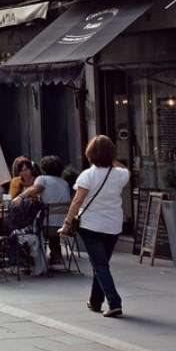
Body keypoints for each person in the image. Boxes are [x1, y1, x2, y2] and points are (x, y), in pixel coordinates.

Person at [60, 135, 130, 318]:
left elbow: (77, 201)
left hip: (91, 226)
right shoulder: (120, 174)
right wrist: (110, 158)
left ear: (90, 154)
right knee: (101, 264)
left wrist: (67, 223)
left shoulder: (87, 175)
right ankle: (95, 301)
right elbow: (124, 169)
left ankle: (114, 303)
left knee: (100, 264)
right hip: (114, 226)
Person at [19, 155, 72, 264]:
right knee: (49, 220)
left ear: (44, 168)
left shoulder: (42, 179)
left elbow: (37, 188)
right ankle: (56, 254)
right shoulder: (65, 183)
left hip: (47, 227)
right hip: (64, 226)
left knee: (24, 226)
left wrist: (20, 197)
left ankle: (31, 258)